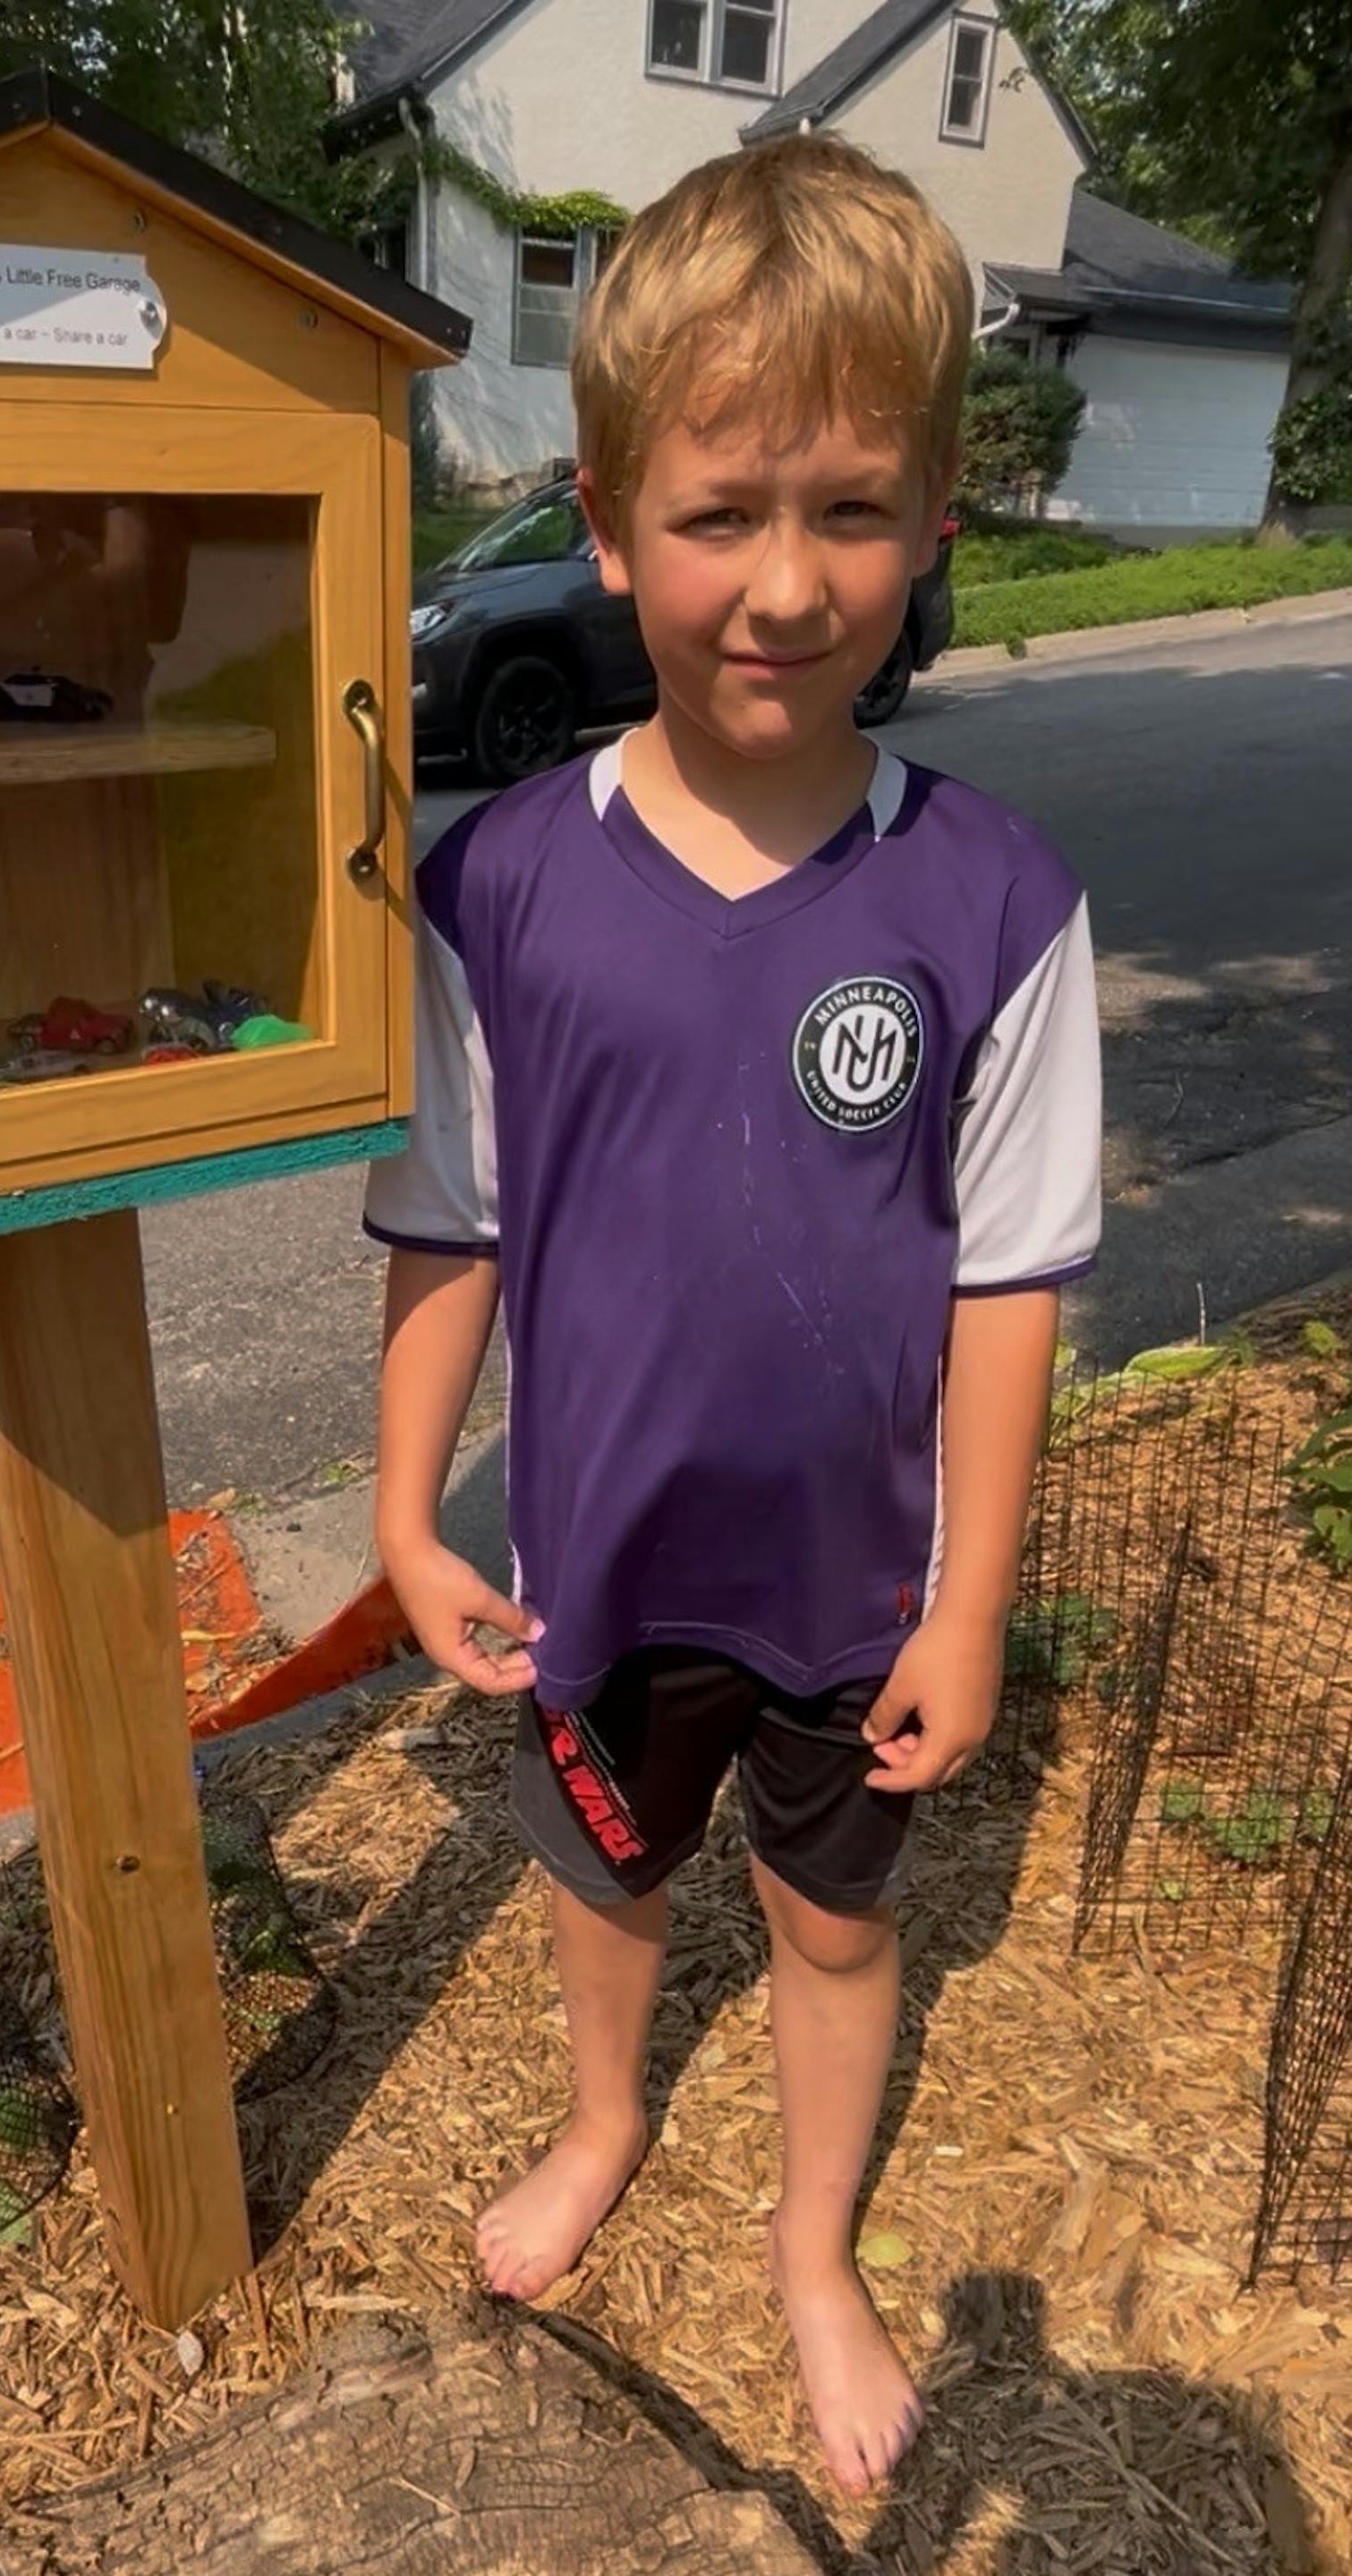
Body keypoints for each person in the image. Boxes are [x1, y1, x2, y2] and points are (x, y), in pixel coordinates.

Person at [362, 133, 1101, 2503]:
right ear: (605, 520)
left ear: (934, 520)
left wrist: (968, 1604)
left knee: (833, 1929)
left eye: (854, 513)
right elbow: (451, 1224)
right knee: (600, 1886)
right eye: (721, 514)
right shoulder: (502, 887)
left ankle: (808, 2240)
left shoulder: (993, 901)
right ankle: (601, 2123)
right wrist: (400, 1504)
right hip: (601, 1567)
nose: (786, 586)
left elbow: (1006, 1283)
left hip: (841, 1586)